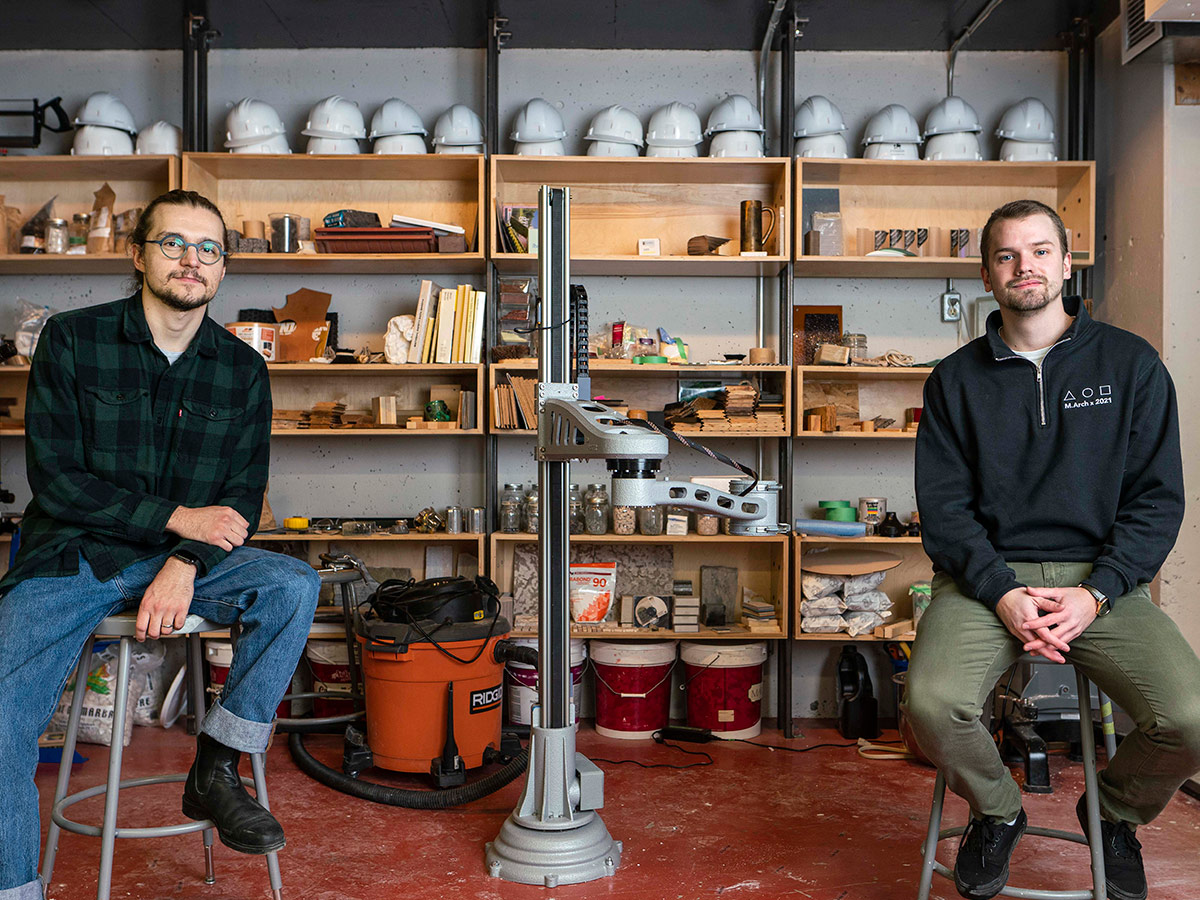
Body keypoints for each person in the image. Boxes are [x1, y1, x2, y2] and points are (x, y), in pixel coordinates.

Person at [0, 189, 321, 900]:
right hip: (74, 557)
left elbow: (239, 503)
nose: (191, 260)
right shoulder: (74, 340)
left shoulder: (243, 371)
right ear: (137, 253)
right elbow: (57, 482)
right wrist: (180, 520)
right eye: (173, 243)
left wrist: (184, 562)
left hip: (182, 561)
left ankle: (215, 768)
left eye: (209, 248)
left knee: (293, 585)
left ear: (223, 268)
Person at [907, 198, 1199, 900]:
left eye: (1040, 251)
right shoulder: (954, 380)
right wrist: (1002, 591)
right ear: (987, 274)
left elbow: (1157, 498)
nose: (1024, 267)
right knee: (930, 703)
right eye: (1007, 255)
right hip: (985, 582)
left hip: (1099, 584)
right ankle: (999, 812)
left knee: (1189, 717)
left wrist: (1098, 590)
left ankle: (1115, 813)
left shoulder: (1131, 365)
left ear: (1067, 263)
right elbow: (944, 511)